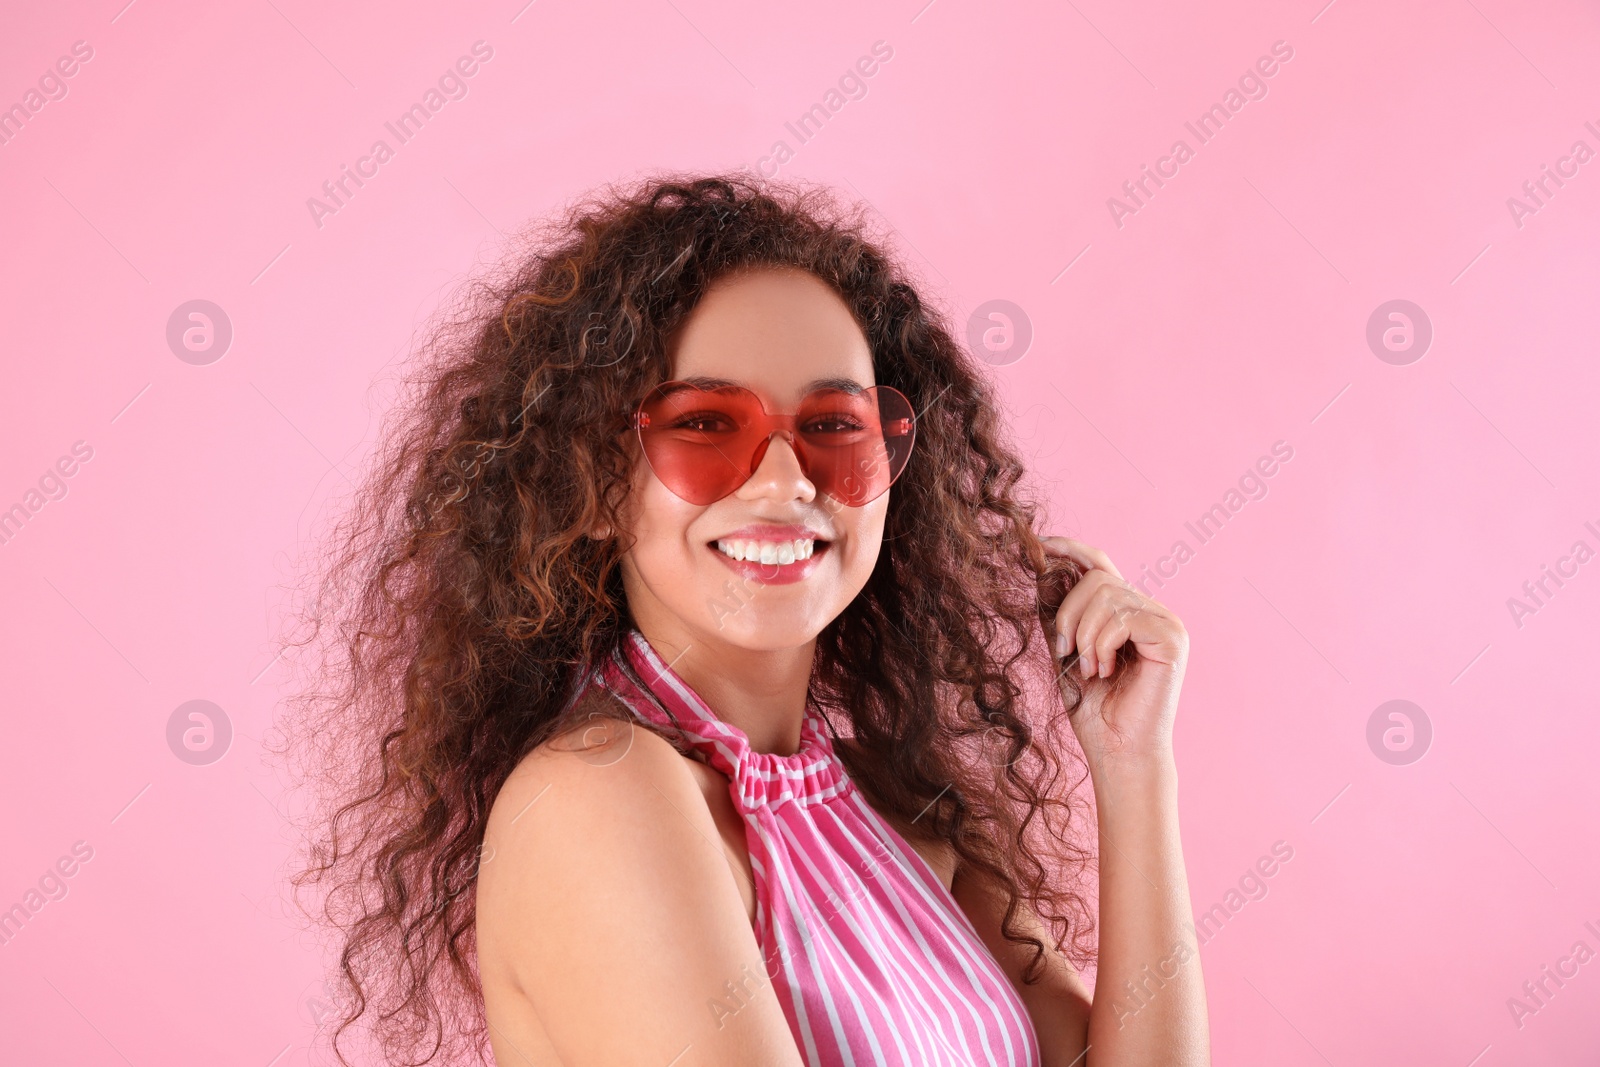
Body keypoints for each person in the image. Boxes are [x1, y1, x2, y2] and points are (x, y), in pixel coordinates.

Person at [279, 174, 1210, 1066]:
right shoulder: (598, 796)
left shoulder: (896, 804)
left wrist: (1133, 771)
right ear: (594, 484)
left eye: (835, 427)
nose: (784, 481)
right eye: (704, 425)